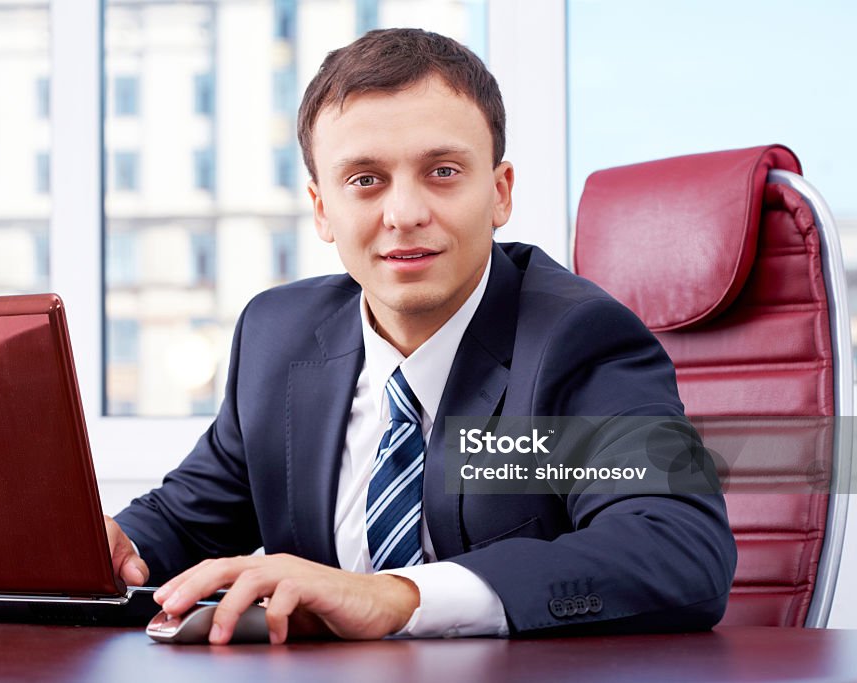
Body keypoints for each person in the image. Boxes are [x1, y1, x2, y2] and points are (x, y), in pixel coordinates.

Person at [107, 28, 736, 644]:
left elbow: (677, 546)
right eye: (364, 180)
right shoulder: (280, 336)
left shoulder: (575, 340)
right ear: (322, 208)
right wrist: (116, 545)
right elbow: (189, 516)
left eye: (441, 171)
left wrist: (396, 596)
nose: (404, 214)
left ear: (498, 192)